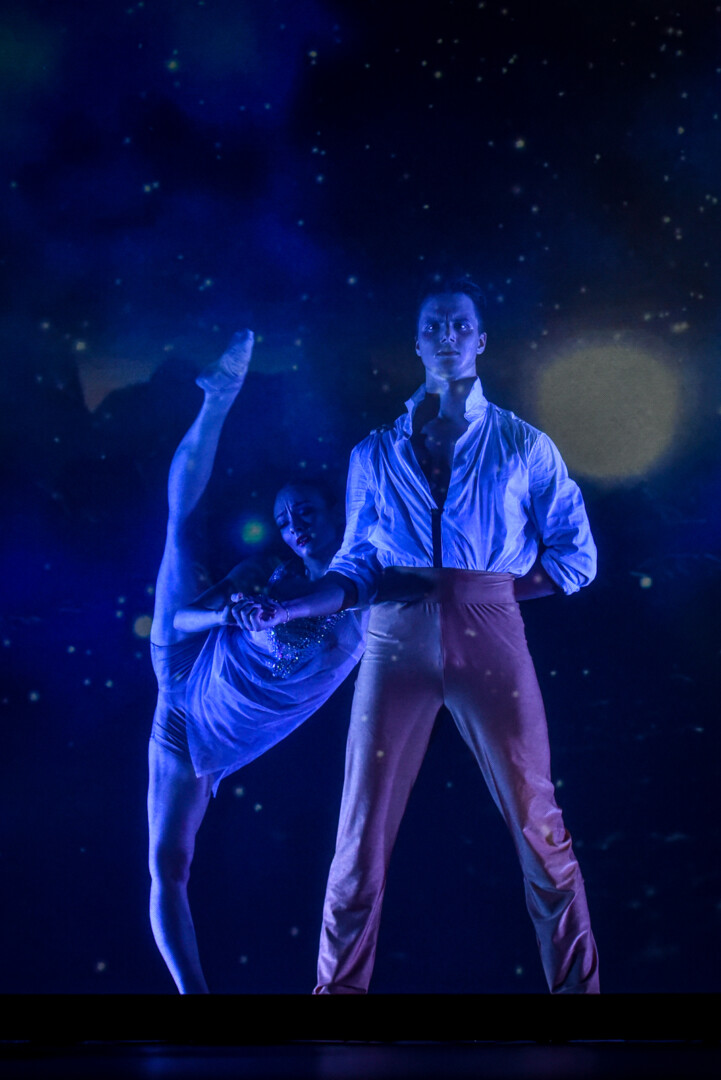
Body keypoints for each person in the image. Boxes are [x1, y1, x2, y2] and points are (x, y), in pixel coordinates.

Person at [249, 277, 600, 995]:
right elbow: (355, 565)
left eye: (459, 325)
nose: (447, 336)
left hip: (489, 631)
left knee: (539, 822)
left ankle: (578, 996)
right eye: (433, 326)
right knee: (359, 829)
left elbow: (576, 557)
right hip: (394, 638)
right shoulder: (374, 453)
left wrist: (484, 593)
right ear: (415, 342)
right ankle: (337, 999)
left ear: (480, 339)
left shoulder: (523, 444)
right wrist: (288, 610)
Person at [147, 329, 366, 994]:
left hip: (203, 739)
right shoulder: (268, 569)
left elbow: (364, 594)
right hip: (184, 669)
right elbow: (178, 622)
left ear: (334, 512)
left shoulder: (362, 588)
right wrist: (232, 611)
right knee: (179, 533)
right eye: (284, 517)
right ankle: (217, 399)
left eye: (305, 511)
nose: (294, 524)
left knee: (172, 865)